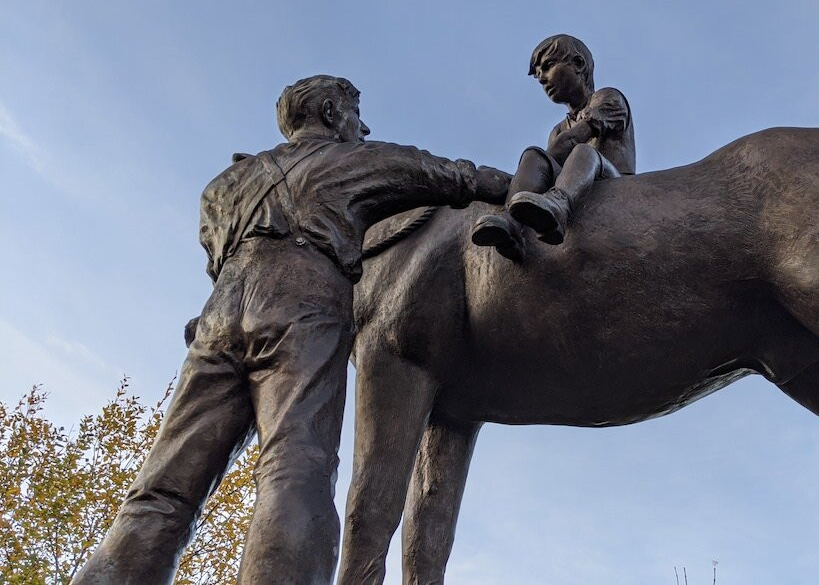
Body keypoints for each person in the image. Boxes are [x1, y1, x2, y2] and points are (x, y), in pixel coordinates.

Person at [71, 75, 510, 585]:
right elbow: (453, 177)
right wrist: (529, 181)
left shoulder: (221, 187)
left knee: (163, 487)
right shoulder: (356, 162)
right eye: (354, 113)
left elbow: (219, 262)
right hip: (304, 312)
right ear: (329, 111)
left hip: (218, 322)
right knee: (295, 468)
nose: (362, 127)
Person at [471, 34, 635, 260]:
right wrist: (530, 169)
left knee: (583, 151)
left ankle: (559, 204)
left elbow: (575, 139)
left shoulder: (608, 98)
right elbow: (549, 160)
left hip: (614, 184)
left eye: (548, 66)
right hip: (579, 184)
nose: (543, 79)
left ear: (578, 64)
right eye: (538, 76)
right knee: (533, 155)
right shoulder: (557, 130)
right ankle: (510, 224)